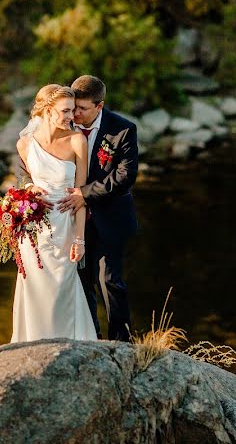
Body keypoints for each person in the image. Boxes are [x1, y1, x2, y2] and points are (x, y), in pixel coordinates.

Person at [10, 84, 97, 342]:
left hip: (64, 227)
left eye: (73, 110)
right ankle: (32, 344)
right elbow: (21, 181)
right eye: (65, 111)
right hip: (34, 232)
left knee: (62, 288)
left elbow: (81, 197)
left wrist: (80, 239)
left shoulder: (77, 141)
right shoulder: (24, 144)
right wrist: (29, 188)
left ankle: (70, 344)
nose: (72, 117)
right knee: (35, 289)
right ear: (47, 111)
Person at [57, 75, 138, 342]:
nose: (75, 114)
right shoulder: (63, 123)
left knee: (109, 280)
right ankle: (91, 338)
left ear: (99, 106)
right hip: (71, 219)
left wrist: (85, 194)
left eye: (82, 109)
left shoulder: (123, 130)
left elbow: (125, 177)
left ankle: (121, 342)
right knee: (82, 280)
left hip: (109, 218)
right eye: (74, 107)